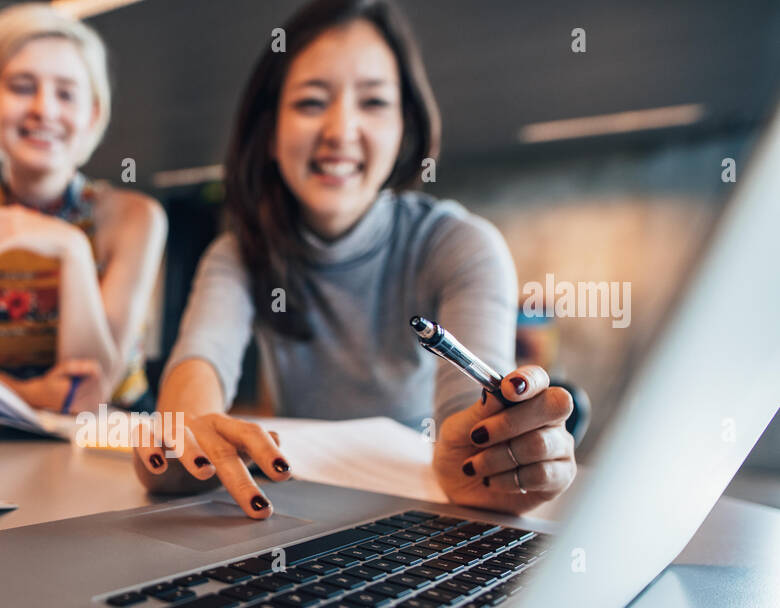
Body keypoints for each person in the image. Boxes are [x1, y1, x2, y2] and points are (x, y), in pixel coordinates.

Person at [134, 0, 576, 519]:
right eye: (311, 102)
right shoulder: (238, 254)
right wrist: (187, 433)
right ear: (270, 132)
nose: (341, 130)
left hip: (422, 512)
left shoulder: (460, 245)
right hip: (304, 511)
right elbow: (200, 361)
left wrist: (490, 463)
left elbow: (469, 410)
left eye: (373, 102)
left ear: (403, 128)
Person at [0, 3, 166, 414]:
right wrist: (35, 398)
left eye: (66, 93)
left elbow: (93, 391)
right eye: (21, 86)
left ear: (92, 114)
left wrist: (71, 250)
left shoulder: (135, 217)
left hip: (118, 441)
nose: (44, 110)